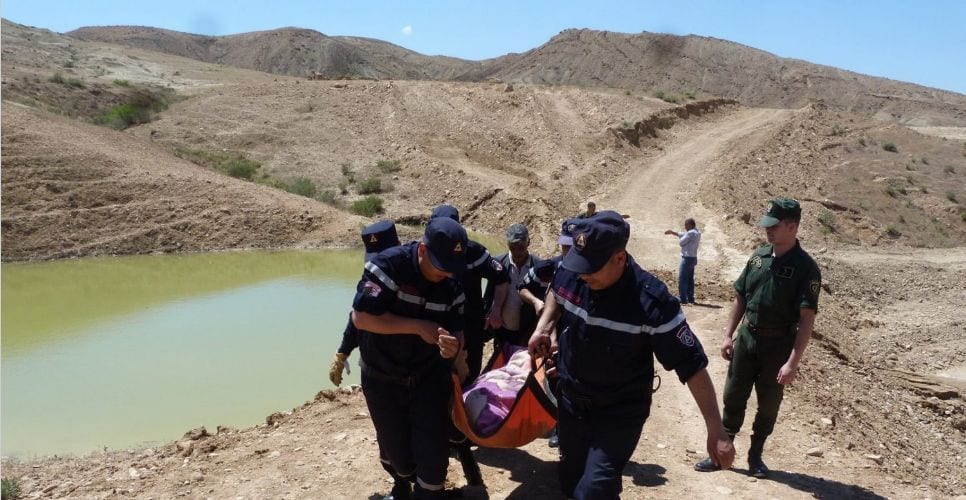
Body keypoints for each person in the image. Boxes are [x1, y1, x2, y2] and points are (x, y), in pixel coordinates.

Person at [528, 211, 735, 498]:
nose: (583, 274)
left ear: (619, 259)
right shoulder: (575, 271)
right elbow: (557, 293)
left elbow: (692, 366)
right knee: (571, 482)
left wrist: (716, 429)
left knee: (591, 492)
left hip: (619, 412)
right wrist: (545, 327)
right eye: (580, 265)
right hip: (571, 402)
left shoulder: (651, 302)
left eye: (592, 267)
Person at [694, 198, 821, 479]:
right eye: (767, 225)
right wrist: (728, 335)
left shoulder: (806, 269)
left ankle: (756, 455)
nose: (768, 231)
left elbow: (807, 319)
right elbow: (741, 297)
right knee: (733, 396)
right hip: (747, 339)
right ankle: (721, 452)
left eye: (774, 226)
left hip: (778, 346)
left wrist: (792, 363)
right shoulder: (758, 257)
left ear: (792, 226)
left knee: (768, 403)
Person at [351, 217, 468, 499]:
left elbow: (458, 331)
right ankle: (405, 480)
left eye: (451, 268)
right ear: (423, 250)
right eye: (441, 267)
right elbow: (362, 318)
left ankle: (431, 491)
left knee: (432, 458)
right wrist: (417, 327)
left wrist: (453, 349)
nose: (447, 274)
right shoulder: (388, 267)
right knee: (400, 459)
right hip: (382, 379)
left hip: (427, 378)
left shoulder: (452, 284)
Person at [429, 204, 508, 488]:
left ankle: (462, 439)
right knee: (437, 384)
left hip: (470, 330)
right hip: (435, 333)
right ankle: (446, 436)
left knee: (466, 382)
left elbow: (501, 277)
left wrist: (495, 310)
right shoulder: (427, 251)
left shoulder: (473, 251)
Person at [517, 218, 576, 449]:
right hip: (551, 337)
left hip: (575, 338)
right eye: (564, 245)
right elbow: (521, 286)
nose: (567, 250)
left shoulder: (592, 271)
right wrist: (537, 303)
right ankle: (559, 428)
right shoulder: (548, 267)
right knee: (554, 380)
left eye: (572, 245)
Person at [329, 220, 401, 387]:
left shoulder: (417, 278)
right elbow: (359, 315)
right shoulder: (370, 282)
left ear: (399, 246)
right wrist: (342, 353)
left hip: (415, 374)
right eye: (375, 260)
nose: (379, 266)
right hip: (375, 374)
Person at [486, 223, 538, 347]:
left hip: (527, 331)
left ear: (528, 242)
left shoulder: (538, 267)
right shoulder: (498, 264)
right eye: (513, 247)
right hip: (502, 330)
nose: (517, 252)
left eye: (521, 247)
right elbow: (489, 295)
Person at [664, 218, 701, 305]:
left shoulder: (691, 233)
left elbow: (681, 242)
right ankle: (690, 298)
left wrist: (681, 238)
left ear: (691, 225)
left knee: (682, 278)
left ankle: (683, 298)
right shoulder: (697, 232)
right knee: (689, 279)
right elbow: (683, 234)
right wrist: (673, 232)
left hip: (687, 258)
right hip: (693, 258)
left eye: (686, 225)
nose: (685, 227)